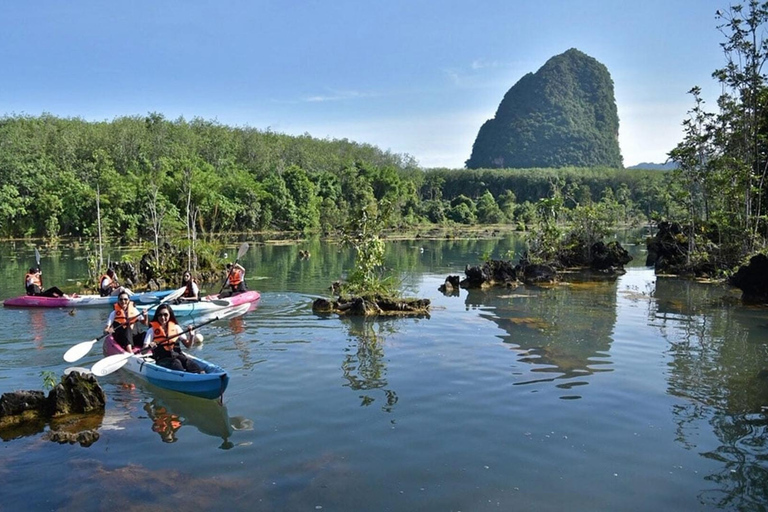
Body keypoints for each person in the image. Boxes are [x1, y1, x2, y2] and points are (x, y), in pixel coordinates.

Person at [143, 304, 203, 373]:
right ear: (157, 316)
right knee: (176, 362)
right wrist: (149, 347)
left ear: (170, 315)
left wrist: (191, 336)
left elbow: (188, 346)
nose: (162, 317)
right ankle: (184, 376)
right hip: (162, 360)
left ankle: (201, 373)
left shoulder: (176, 328)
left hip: (178, 356)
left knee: (187, 362)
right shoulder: (151, 330)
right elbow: (143, 351)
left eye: (165, 315)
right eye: (160, 315)